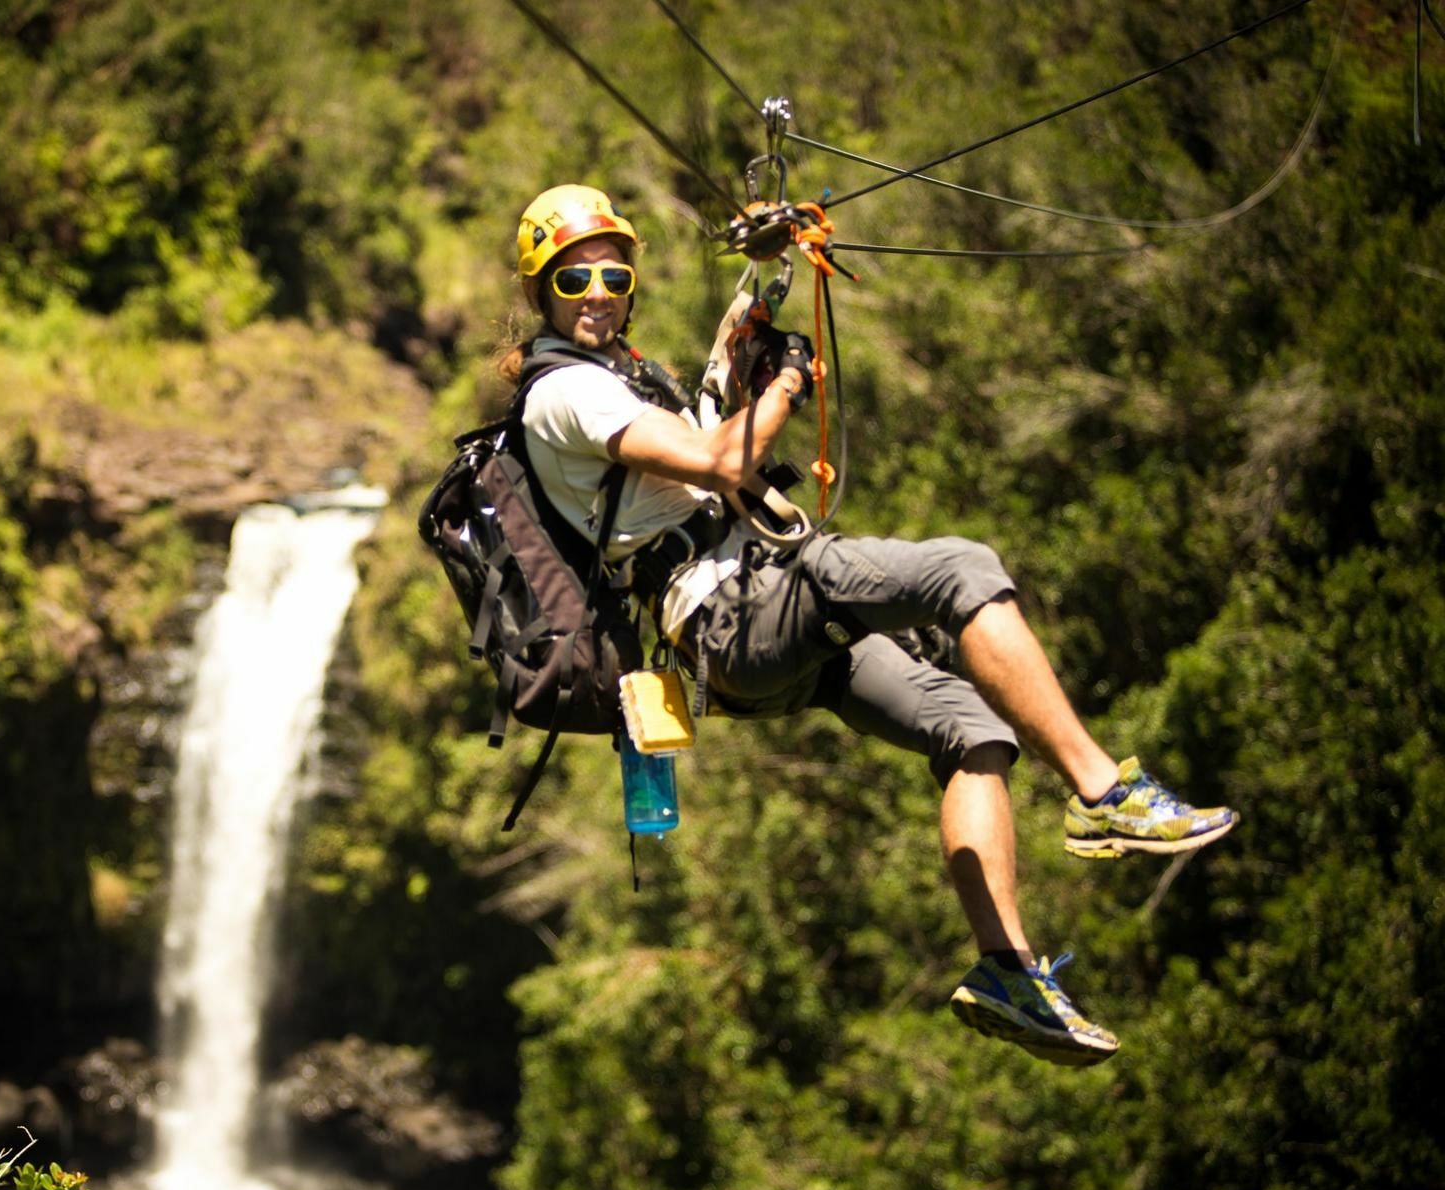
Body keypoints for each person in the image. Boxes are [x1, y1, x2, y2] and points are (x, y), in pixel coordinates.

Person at [502, 183, 1237, 1067]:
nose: (599, 295)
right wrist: (782, 381)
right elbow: (717, 455)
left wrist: (766, 276)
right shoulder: (565, 395)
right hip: (733, 612)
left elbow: (703, 406)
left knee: (973, 731)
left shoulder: (625, 379)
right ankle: (1104, 795)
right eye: (573, 281)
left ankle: (1009, 972)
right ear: (540, 292)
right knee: (962, 567)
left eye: (612, 275)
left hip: (757, 622)